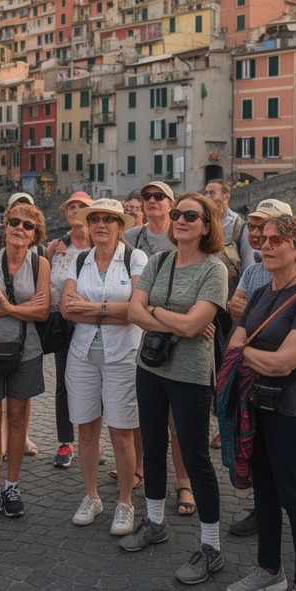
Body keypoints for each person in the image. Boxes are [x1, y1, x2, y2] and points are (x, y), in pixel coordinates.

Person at [223, 215, 296, 591]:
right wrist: (246, 351)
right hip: (256, 403)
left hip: (292, 408)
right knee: (264, 491)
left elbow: (285, 362)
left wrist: (243, 353)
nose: (265, 245)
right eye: (263, 239)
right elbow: (234, 338)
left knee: (295, 497)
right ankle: (269, 569)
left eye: (277, 240)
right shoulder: (261, 291)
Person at [123, 193, 229, 585]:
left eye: (190, 215)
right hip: (150, 367)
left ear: (207, 225)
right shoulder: (159, 261)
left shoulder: (214, 269)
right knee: (152, 448)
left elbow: (192, 325)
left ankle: (211, 546)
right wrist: (175, 318)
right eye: (176, 213)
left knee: (196, 458)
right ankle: (154, 522)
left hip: (190, 374)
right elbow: (133, 311)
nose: (180, 220)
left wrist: (155, 312)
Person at [62, 199, 149, 535]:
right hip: (82, 354)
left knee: (122, 434)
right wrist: (112, 309)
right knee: (86, 429)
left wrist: (92, 308)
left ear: (120, 225)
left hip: (122, 354)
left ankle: (125, 502)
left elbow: (136, 310)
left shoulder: (135, 258)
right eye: (95, 219)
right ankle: (91, 496)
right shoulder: (79, 259)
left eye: (108, 220)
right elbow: (66, 308)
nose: (100, 224)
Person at [0, 202, 52, 524]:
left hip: (26, 351)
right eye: (14, 221)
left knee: (17, 419)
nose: (20, 228)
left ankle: (11, 486)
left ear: (35, 235)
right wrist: (19, 308)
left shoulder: (40, 264)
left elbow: (42, 312)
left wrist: (7, 306)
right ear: (5, 227)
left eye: (28, 225)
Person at [122, 180, 195, 516]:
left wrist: (159, 313)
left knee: (177, 419)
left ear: (171, 204)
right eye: (146, 196)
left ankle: (184, 482)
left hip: (178, 334)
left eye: (158, 197)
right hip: (141, 332)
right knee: (143, 412)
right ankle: (138, 468)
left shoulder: (182, 235)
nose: (151, 201)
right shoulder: (132, 236)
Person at [224, 198, 292, 539]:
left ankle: (284, 508)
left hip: (282, 375)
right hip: (252, 373)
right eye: (253, 227)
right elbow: (235, 308)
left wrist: (247, 317)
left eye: (265, 228)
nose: (257, 234)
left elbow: (254, 319)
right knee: (256, 444)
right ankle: (262, 509)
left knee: (283, 450)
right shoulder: (252, 270)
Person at [45, 191, 95, 469]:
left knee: (94, 382)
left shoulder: (101, 245)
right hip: (62, 324)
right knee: (64, 383)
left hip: (93, 322)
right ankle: (66, 441)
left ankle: (93, 439)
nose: (75, 211)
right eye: (71, 207)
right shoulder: (56, 247)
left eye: (81, 207)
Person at [204, 179, 255, 290]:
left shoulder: (241, 226)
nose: (207, 197)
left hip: (231, 291)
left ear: (226, 196)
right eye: (206, 193)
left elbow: (248, 265)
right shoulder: (200, 223)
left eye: (212, 193)